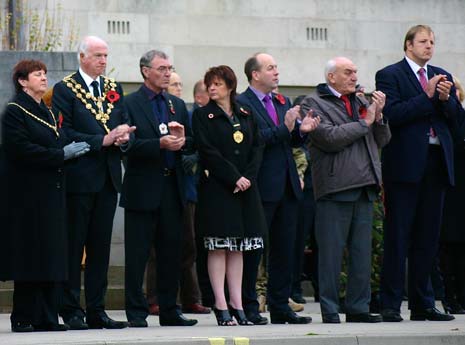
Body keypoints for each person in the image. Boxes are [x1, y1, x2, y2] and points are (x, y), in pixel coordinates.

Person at [375, 24, 463, 322]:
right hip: (405, 166)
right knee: (399, 235)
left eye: (432, 42)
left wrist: (446, 100)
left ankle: (423, 302)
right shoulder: (391, 75)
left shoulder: (443, 75)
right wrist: (427, 97)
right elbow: (394, 115)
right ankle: (390, 303)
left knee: (428, 237)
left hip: (437, 163)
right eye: (423, 42)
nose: (429, 47)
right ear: (408, 45)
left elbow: (457, 123)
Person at [1, 59, 90, 332]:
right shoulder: (14, 112)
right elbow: (20, 149)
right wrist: (59, 155)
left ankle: (47, 317)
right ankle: (24, 317)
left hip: (52, 194)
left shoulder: (47, 112)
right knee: (31, 255)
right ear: (22, 81)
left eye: (44, 74)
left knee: (51, 255)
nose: (43, 78)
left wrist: (71, 150)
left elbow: (57, 141)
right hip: (27, 196)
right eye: (37, 74)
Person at [300, 57, 390, 323]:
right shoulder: (313, 103)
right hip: (336, 187)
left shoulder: (363, 102)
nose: (354, 76)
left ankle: (357, 308)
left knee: (362, 254)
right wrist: (365, 123)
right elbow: (329, 138)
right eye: (348, 72)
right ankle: (329, 309)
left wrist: (380, 117)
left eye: (355, 72)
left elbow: (383, 140)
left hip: (365, 186)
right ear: (332, 77)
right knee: (331, 253)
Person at [52, 36, 133, 330]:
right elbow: (64, 132)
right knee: (75, 246)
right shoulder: (64, 89)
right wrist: (102, 140)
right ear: (82, 57)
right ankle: (71, 309)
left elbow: (121, 122)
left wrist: (124, 138)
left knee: (101, 248)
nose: (103, 61)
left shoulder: (114, 88)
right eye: (98, 55)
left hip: (109, 178)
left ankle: (97, 309)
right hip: (80, 177)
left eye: (106, 56)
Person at [236, 53, 319, 325]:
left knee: (285, 250)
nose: (276, 72)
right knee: (255, 249)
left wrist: (301, 131)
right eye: (270, 68)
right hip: (261, 186)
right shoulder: (242, 103)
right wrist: (285, 130)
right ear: (255, 74)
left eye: (276, 67)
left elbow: (288, 139)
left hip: (287, 185)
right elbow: (252, 140)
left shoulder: (280, 101)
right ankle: (249, 305)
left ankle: (280, 305)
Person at [120, 49, 197, 327]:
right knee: (138, 254)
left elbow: (191, 145)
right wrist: (158, 144)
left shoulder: (176, 103)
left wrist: (182, 140)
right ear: (145, 71)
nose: (167, 73)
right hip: (142, 187)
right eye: (161, 68)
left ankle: (170, 309)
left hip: (172, 187)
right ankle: (136, 312)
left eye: (169, 68)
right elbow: (125, 145)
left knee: (171, 252)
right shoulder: (129, 103)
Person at [192, 65, 266, 326]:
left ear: (230, 86)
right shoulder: (203, 116)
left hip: (245, 189)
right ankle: (220, 304)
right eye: (209, 84)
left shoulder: (246, 113)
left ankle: (238, 304)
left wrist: (248, 178)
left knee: (238, 248)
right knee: (219, 247)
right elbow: (207, 151)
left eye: (217, 84)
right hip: (218, 189)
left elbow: (257, 146)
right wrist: (234, 177)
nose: (212, 89)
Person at [145, 70, 211, 316]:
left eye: (179, 83)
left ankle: (191, 297)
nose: (177, 87)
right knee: (157, 248)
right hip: (160, 186)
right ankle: (156, 298)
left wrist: (192, 154)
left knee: (187, 246)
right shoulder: (153, 110)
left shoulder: (185, 112)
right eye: (173, 83)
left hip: (186, 189)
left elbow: (195, 143)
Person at [439, 75, 465, 314]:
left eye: (456, 89)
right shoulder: (440, 119)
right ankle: (449, 296)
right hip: (448, 188)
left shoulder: (461, 117)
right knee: (448, 246)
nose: (453, 94)